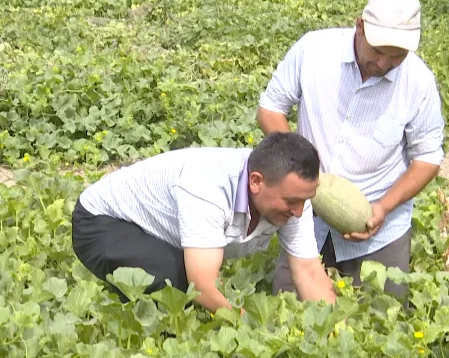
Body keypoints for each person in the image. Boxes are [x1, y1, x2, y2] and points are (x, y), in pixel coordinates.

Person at [257, 0, 445, 300]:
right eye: (378, 51)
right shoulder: (314, 51)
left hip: (381, 229)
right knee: (289, 317)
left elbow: (427, 157)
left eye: (396, 56)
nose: (384, 64)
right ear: (359, 26)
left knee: (384, 321)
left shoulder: (419, 82)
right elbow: (270, 109)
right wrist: (301, 174)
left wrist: (383, 207)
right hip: (307, 218)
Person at [71, 132, 337, 313]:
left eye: (305, 200)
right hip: (102, 223)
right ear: (256, 182)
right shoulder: (207, 186)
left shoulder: (292, 195)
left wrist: (337, 327)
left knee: (186, 279)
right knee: (175, 285)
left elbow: (309, 271)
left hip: (158, 229)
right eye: (291, 201)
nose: (300, 212)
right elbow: (201, 288)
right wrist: (251, 324)